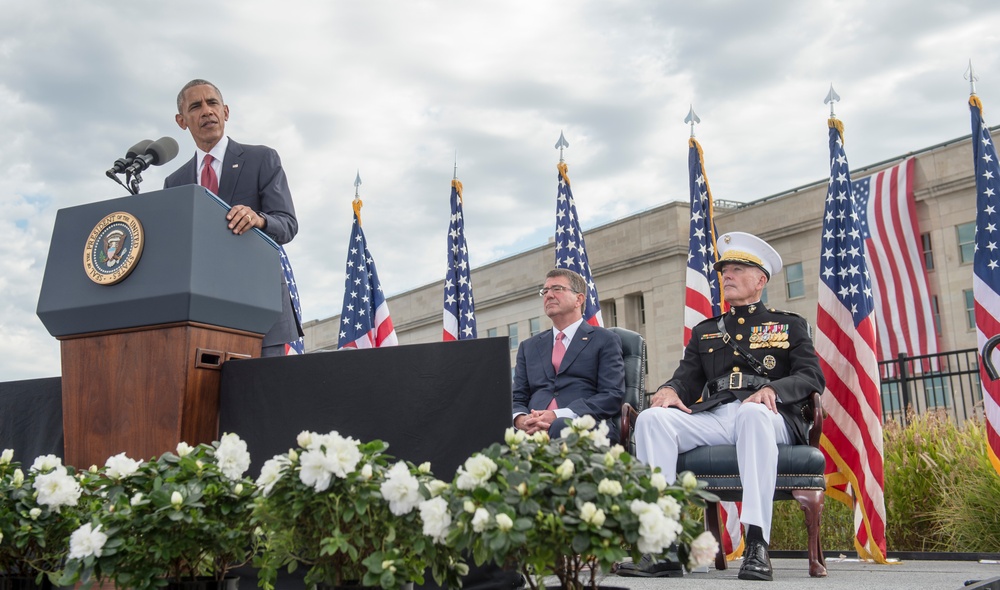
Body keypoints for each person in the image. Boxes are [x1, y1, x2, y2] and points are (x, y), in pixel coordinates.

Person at [624, 232, 824, 582]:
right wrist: (671, 390)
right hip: (717, 415)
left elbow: (811, 377)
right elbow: (687, 379)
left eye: (736, 269)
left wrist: (773, 391)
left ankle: (757, 544)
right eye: (724, 270)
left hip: (770, 418)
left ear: (760, 280)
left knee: (751, 413)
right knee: (653, 420)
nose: (726, 275)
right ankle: (663, 546)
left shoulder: (788, 326)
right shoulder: (706, 332)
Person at [164, 79, 301, 357]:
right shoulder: (174, 182)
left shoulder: (261, 159)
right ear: (182, 121)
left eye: (212, 103)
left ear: (225, 112)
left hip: (260, 314)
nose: (206, 111)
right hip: (202, 318)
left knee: (263, 400)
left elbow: (287, 224)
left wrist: (259, 219)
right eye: (196, 106)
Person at [511, 268, 625, 440]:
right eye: (545, 291)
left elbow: (611, 395)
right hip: (532, 428)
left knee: (561, 426)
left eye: (557, 289)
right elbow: (517, 397)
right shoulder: (529, 347)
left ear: (579, 299)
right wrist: (521, 419)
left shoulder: (605, 340)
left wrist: (558, 415)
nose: (548, 295)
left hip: (585, 426)